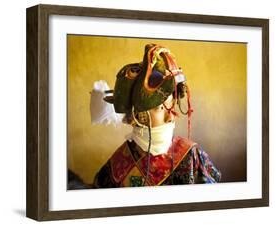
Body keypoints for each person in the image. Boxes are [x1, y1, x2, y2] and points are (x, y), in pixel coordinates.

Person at [92, 44, 221, 188]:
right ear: (134, 117)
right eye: (160, 108)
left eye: (172, 107)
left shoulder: (192, 156)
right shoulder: (117, 166)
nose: (171, 118)